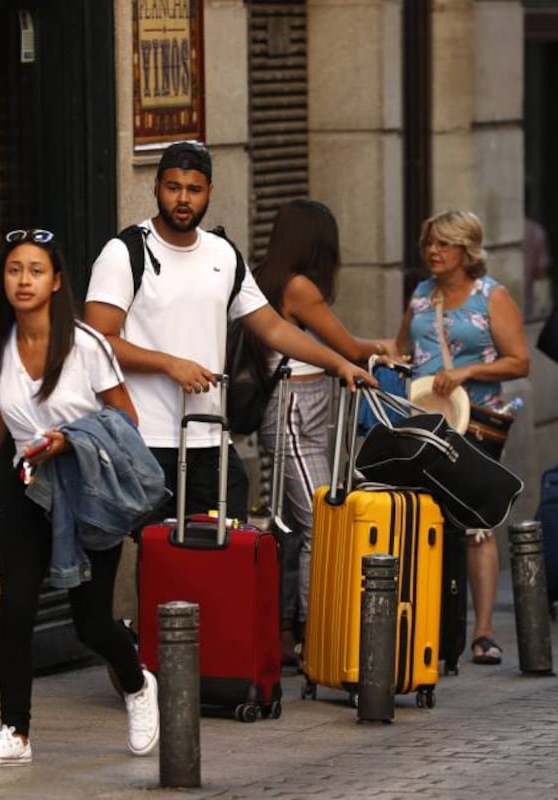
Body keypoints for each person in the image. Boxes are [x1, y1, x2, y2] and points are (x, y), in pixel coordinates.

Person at [0, 229, 160, 767]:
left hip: (87, 491)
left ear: (56, 280)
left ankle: (137, 684)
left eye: (36, 270)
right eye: (14, 270)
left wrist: (72, 440)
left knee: (91, 623)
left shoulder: (86, 345)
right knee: (15, 608)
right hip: (27, 489)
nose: (24, 280)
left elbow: (125, 419)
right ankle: (15, 732)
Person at [84, 141, 375, 528]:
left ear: (209, 192)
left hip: (211, 439)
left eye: (194, 189)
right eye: (173, 188)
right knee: (162, 558)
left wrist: (340, 363)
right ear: (156, 187)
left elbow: (271, 327)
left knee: (224, 556)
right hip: (148, 438)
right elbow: (98, 340)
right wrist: (169, 364)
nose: (183, 199)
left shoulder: (223, 254)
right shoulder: (124, 252)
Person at [252, 199, 396, 664]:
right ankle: (321, 635)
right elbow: (347, 347)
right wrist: (386, 347)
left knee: (298, 527)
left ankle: (290, 631)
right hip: (293, 409)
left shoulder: (278, 280)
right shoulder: (297, 287)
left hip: (306, 407)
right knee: (322, 521)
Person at [396, 209, 530, 666]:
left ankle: (485, 630)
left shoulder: (491, 296)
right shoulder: (419, 296)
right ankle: (432, 622)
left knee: (475, 524)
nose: (434, 252)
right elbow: (401, 351)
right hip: (424, 422)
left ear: (467, 250)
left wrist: (468, 371)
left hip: (475, 421)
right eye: (430, 243)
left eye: (445, 244)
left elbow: (519, 361)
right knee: (426, 519)